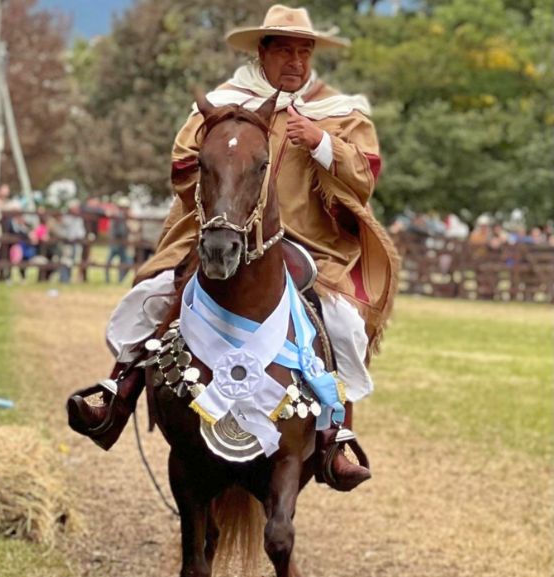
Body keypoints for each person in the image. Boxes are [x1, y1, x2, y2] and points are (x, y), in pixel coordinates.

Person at [66, 5, 399, 492]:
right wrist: (222, 185)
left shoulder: (339, 113)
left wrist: (323, 143)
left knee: (344, 325)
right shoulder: (224, 103)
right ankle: (117, 393)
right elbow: (184, 167)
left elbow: (365, 175)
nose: (295, 62)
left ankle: (335, 436)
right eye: (284, 51)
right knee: (151, 295)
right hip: (222, 229)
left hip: (309, 244)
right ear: (262, 51)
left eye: (304, 52)